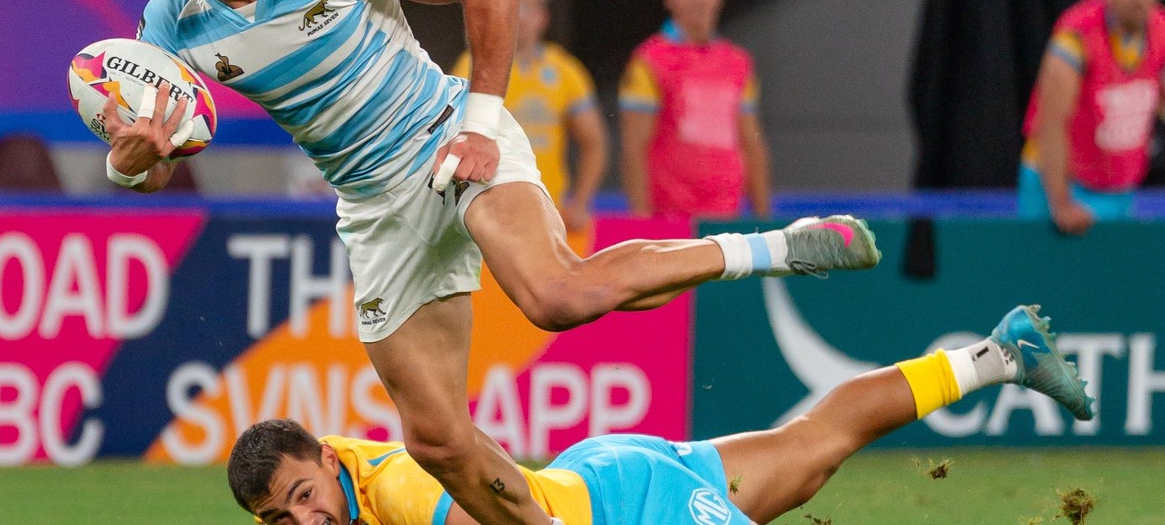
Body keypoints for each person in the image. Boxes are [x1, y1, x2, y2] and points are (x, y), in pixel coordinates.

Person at [108, 0, 880, 523]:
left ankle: (779, 246)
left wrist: (478, 126)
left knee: (557, 295)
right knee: (437, 442)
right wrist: (130, 162)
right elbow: (153, 164)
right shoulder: (166, 28)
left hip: (446, 135)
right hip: (374, 205)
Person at [227, 305, 1095, 525]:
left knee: (811, 449)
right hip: (598, 472)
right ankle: (1001, 354)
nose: (306, 521)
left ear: (328, 460)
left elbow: (512, 516)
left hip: (624, 507)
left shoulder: (401, 489)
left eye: (305, 496)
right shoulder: (333, 477)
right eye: (280, 520)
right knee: (811, 451)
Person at [1020, 0, 1165, 235]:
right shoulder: (1074, 39)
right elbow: (1051, 123)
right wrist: (1061, 203)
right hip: (1059, 184)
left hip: (1118, 187)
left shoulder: (1161, 29)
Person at [451, 0, 608, 233]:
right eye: (514, 8)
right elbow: (451, 133)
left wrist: (581, 202)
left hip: (548, 211)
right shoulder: (471, 64)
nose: (520, 18)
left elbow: (594, 141)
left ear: (543, 17)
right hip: (488, 211)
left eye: (528, 9)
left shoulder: (565, 70)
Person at [619, 0, 771, 220]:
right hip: (669, 221)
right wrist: (642, 224)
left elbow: (751, 143)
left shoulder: (739, 63)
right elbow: (634, 148)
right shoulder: (648, 61)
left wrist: (763, 218)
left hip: (726, 219)